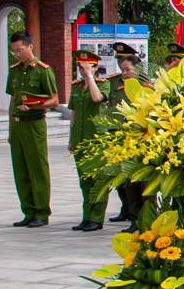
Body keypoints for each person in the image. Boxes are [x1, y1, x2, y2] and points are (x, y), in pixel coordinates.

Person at [6, 30, 57, 227]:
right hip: (18, 125)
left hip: (34, 123)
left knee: (37, 169)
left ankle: (41, 213)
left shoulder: (43, 70)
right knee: (20, 170)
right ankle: (28, 211)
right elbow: (12, 99)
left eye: (20, 50)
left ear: (30, 47)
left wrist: (35, 106)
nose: (17, 54)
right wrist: (10, 128)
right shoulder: (14, 70)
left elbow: (54, 100)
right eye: (14, 52)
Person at [67, 49, 110, 232]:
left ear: (95, 67)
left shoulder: (103, 83)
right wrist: (71, 138)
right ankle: (86, 217)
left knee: (98, 180)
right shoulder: (75, 87)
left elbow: (97, 98)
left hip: (96, 138)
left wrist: (90, 78)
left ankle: (97, 218)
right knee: (84, 180)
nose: (83, 71)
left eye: (87, 67)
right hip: (80, 138)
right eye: (80, 67)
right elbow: (73, 113)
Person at [106, 47, 146, 231]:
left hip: (143, 142)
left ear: (138, 70)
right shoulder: (119, 87)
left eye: (128, 70)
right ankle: (134, 219)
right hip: (124, 141)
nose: (124, 73)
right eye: (122, 70)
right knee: (128, 182)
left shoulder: (147, 89)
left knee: (143, 184)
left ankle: (146, 220)